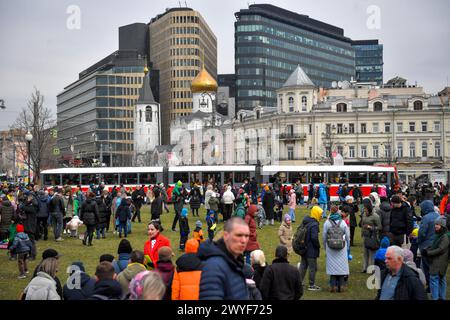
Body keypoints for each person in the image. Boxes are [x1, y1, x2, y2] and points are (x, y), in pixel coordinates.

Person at [198, 217, 250, 299]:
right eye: (239, 235)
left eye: (247, 236)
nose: (243, 240)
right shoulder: (214, 267)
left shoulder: (235, 263)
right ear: (226, 236)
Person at [322, 207, 350, 293]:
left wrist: (325, 247)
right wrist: (348, 247)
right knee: (341, 267)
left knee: (332, 267)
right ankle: (341, 286)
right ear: (338, 212)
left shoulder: (327, 223)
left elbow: (324, 237)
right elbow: (348, 236)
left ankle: (332, 286)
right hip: (342, 247)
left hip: (330, 247)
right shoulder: (343, 223)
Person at [422, 216, 449, 300]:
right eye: (435, 224)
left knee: (434, 279)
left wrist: (428, 253)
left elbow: (440, 249)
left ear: (442, 226)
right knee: (441, 279)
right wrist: (427, 249)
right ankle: (441, 297)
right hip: (440, 262)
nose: (435, 226)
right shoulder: (440, 235)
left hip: (439, 262)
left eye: (437, 224)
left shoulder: (445, 236)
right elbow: (435, 246)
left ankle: (436, 298)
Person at [298, 205, 322, 291]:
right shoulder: (314, 224)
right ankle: (311, 285)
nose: (321, 216)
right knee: (313, 267)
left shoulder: (306, 221)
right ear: (316, 214)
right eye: (320, 214)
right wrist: (318, 245)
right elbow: (314, 238)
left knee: (303, 265)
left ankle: (299, 283)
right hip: (311, 250)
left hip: (304, 248)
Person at [418, 199, 440, 288]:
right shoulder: (438, 216)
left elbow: (422, 232)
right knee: (435, 266)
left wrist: (418, 241)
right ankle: (435, 284)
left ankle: (430, 286)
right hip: (437, 245)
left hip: (426, 246)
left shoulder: (426, 218)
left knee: (426, 267)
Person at [361, 202, 381, 273]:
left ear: (369, 209)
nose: (364, 210)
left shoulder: (375, 216)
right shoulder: (364, 215)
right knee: (365, 252)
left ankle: (371, 268)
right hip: (364, 235)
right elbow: (362, 223)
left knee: (371, 253)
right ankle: (365, 268)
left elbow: (379, 227)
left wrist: (370, 227)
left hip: (372, 236)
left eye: (366, 209)